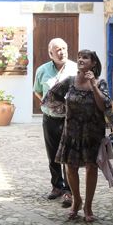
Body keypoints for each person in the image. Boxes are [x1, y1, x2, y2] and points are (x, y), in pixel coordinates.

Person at [47, 49, 113, 223]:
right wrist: (64, 110)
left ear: (93, 62)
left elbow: (103, 106)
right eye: (79, 57)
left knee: (91, 167)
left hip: (92, 133)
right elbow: (51, 96)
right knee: (71, 167)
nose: (80, 59)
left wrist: (93, 85)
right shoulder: (70, 82)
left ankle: (88, 206)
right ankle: (76, 200)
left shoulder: (100, 83)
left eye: (85, 57)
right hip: (71, 132)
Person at [32, 38, 77, 207]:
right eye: (58, 49)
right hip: (50, 119)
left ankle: (69, 191)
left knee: (69, 156)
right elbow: (37, 91)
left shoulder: (75, 68)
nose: (62, 52)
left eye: (64, 48)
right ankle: (56, 186)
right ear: (50, 53)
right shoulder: (42, 70)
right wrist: (48, 102)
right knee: (53, 155)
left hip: (70, 120)